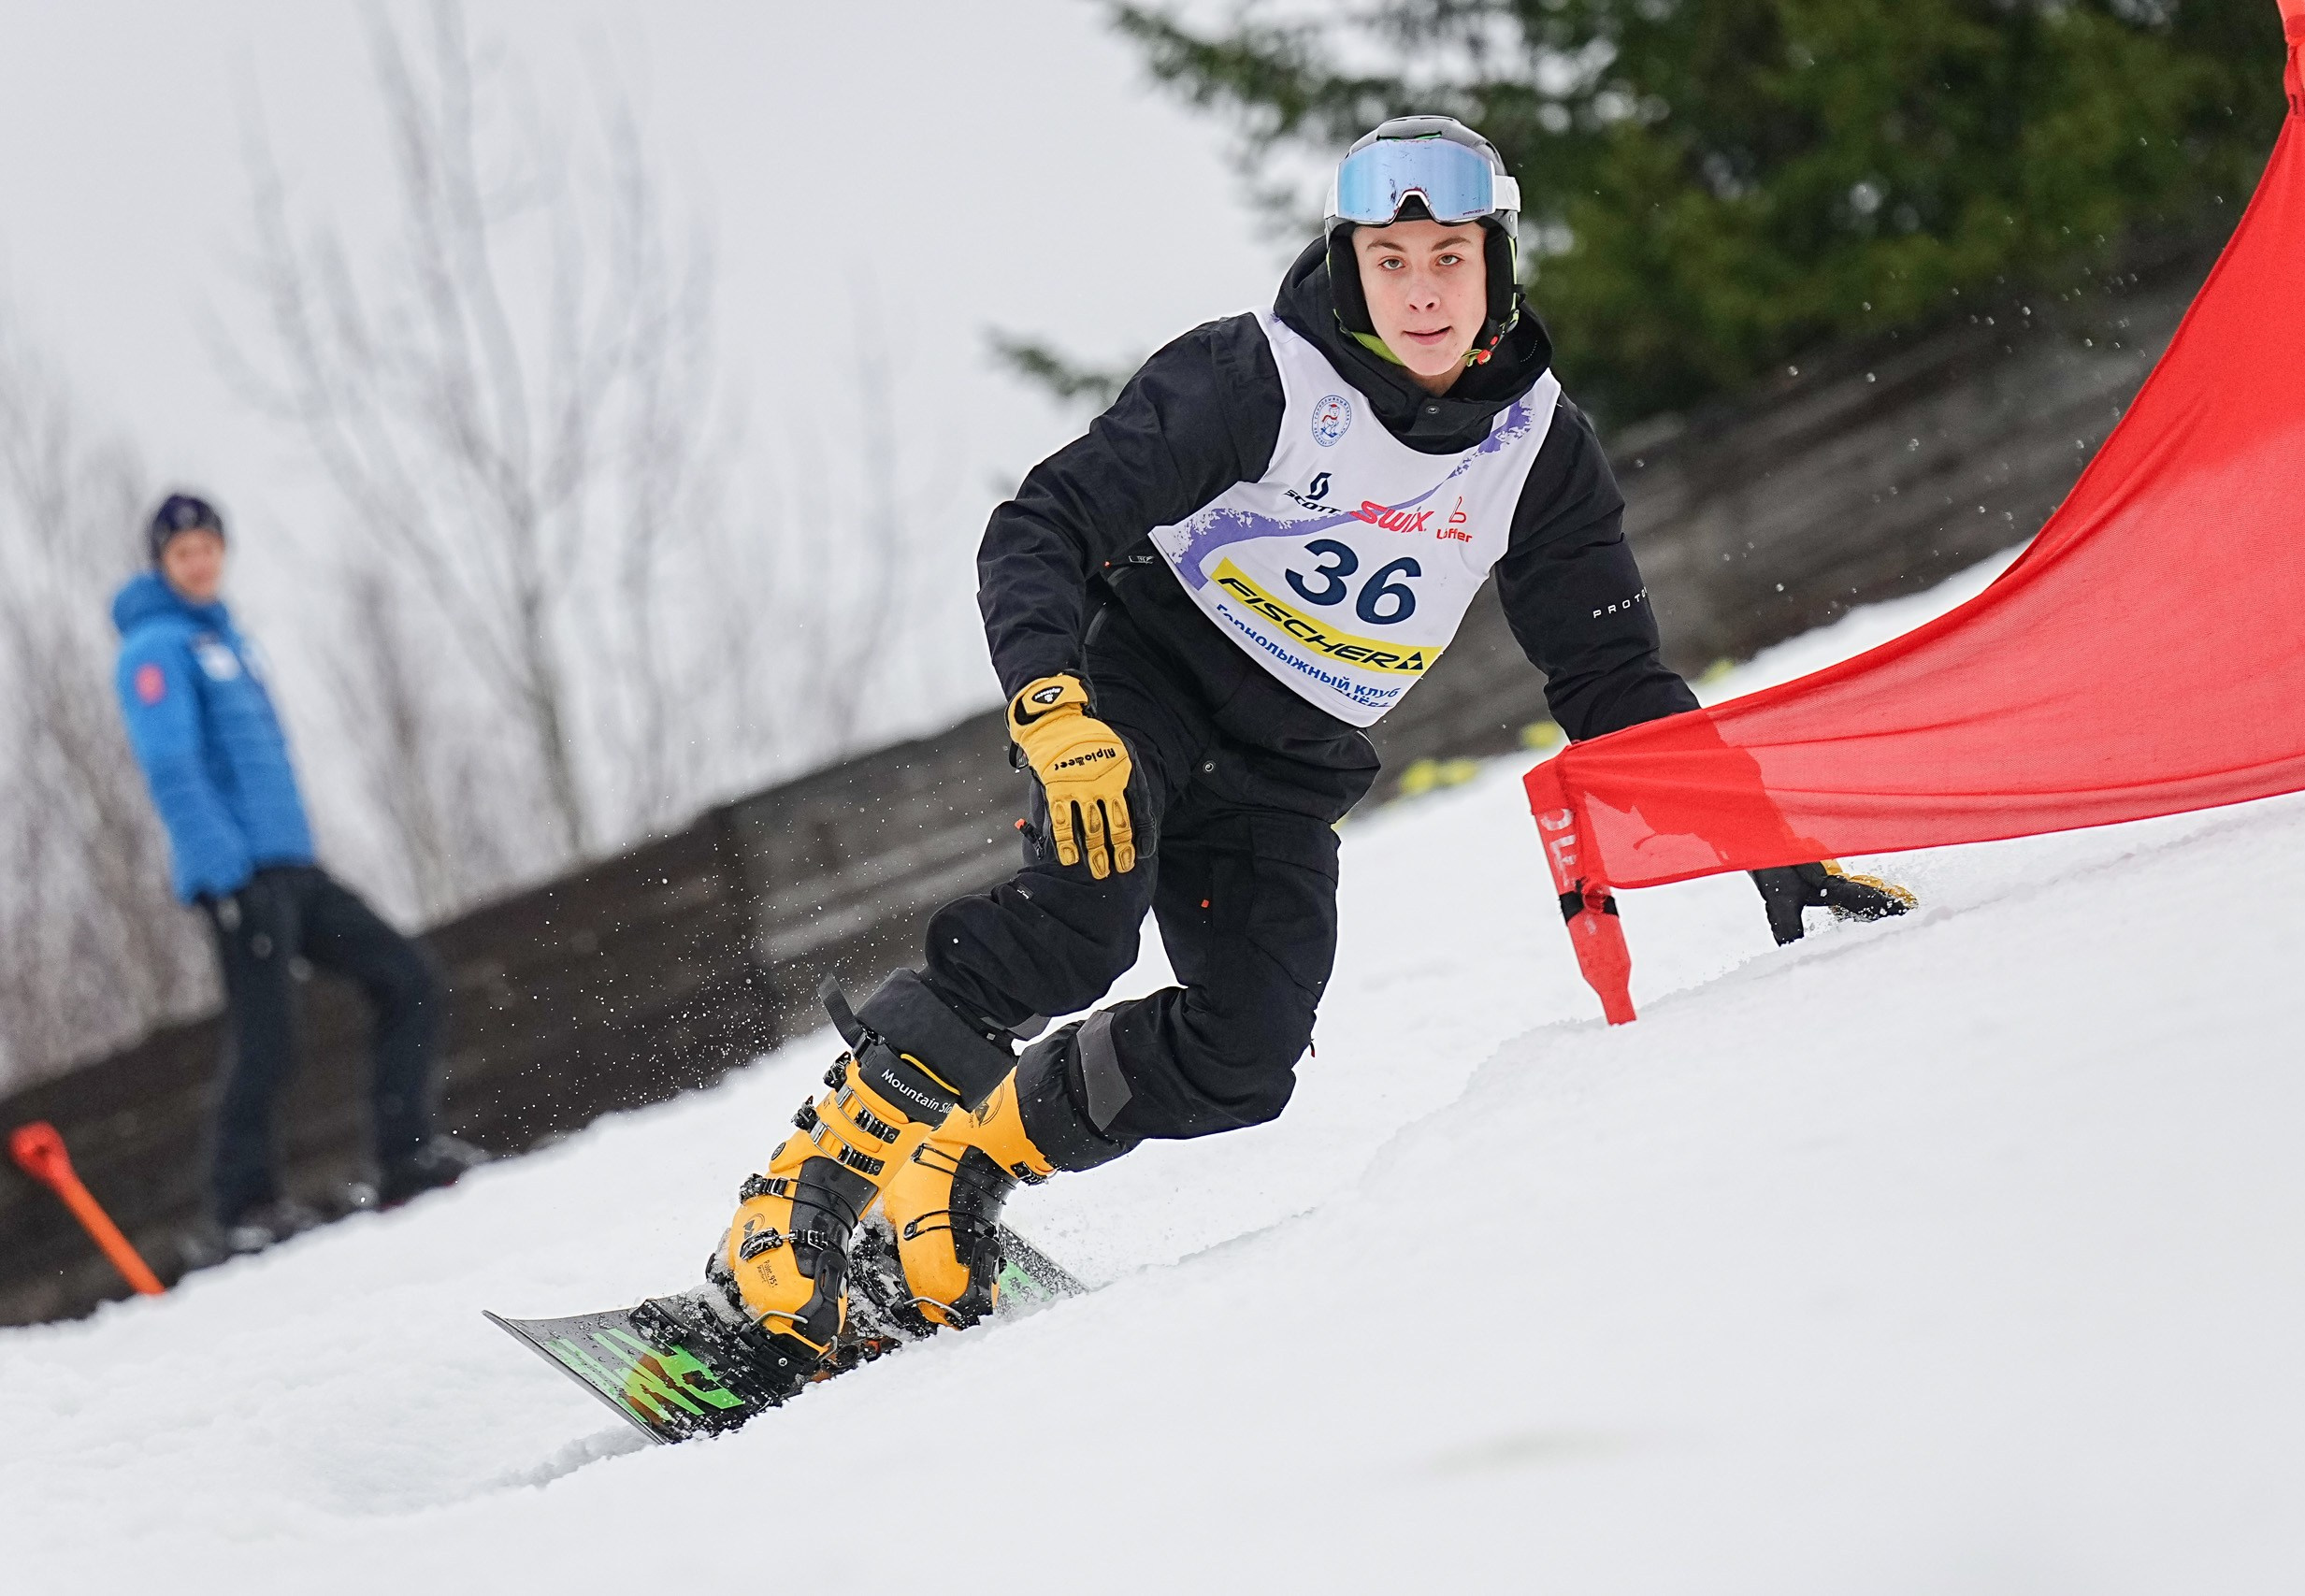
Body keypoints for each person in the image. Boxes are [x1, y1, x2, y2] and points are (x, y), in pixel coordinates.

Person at [710, 117, 1912, 1368]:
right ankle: (795, 1203)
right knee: (1081, 918)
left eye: (1449, 254)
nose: (1423, 290)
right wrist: (1052, 702)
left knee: (1248, 1052)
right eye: (1391, 260)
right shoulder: (1259, 380)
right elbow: (1041, 523)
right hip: (1144, 692)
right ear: (1350, 266)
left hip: (1287, 768)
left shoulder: (1540, 451)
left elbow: (1610, 674)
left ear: (1497, 262)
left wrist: (1766, 840)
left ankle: (957, 1166)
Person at [111, 493, 483, 1255]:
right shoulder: (155, 648)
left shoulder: (231, 642)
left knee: (407, 974)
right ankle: (242, 1205)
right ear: (162, 563)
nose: (200, 561)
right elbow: (172, 766)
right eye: (183, 552)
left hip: (294, 866)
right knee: (269, 1038)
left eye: (209, 546)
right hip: (240, 876)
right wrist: (225, 873)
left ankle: (405, 1152)